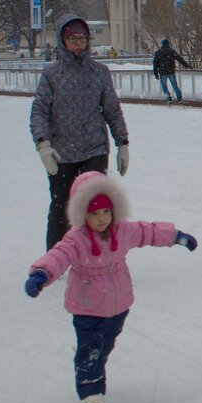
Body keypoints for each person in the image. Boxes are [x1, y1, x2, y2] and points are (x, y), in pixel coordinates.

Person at [23, 171, 198, 403]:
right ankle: (89, 385)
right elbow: (59, 255)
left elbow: (148, 232)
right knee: (90, 346)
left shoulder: (123, 230)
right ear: (82, 214)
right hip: (86, 304)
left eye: (106, 211)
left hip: (118, 303)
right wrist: (41, 273)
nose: (102, 218)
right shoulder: (77, 239)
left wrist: (176, 236)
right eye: (94, 214)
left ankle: (93, 365)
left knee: (105, 344)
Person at [30, 13, 130, 250]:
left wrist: (122, 143)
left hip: (94, 149)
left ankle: (100, 252)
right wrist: (43, 145)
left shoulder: (99, 72)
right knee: (61, 206)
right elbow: (39, 111)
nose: (78, 42)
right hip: (62, 152)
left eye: (82, 38)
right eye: (73, 38)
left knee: (97, 206)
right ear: (63, 41)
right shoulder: (52, 74)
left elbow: (112, 110)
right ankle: (56, 256)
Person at [152, 38, 190, 104]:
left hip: (163, 72)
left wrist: (156, 73)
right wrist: (186, 65)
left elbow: (155, 63)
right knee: (175, 85)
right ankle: (179, 98)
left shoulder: (158, 52)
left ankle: (168, 99)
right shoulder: (172, 51)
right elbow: (179, 59)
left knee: (164, 86)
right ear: (168, 44)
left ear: (162, 44)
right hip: (171, 71)